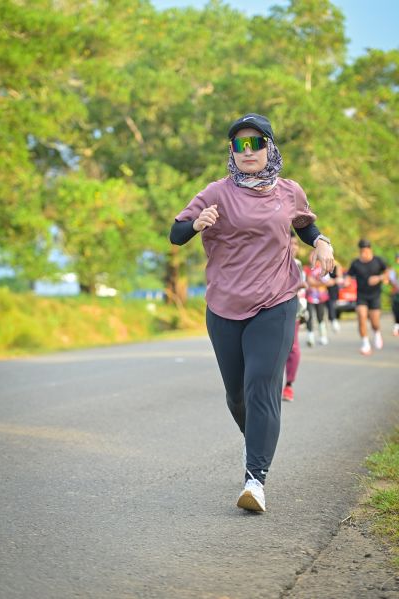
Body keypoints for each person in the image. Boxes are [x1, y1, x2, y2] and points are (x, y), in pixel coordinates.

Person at [169, 113, 334, 512]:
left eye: (256, 143)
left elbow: (305, 225)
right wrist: (197, 224)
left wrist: (322, 243)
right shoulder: (216, 192)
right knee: (237, 394)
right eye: (240, 144)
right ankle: (258, 438)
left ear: (269, 147)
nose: (248, 151)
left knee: (262, 384)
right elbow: (176, 234)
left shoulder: (289, 191)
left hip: (276, 300)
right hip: (224, 305)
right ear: (232, 150)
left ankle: (255, 480)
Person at [346, 239, 387, 355]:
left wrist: (379, 278)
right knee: (361, 317)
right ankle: (365, 343)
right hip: (361, 295)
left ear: (370, 250)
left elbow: (387, 273)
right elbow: (349, 276)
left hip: (375, 295)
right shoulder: (356, 263)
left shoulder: (378, 261)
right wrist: (346, 281)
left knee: (375, 322)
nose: (364, 254)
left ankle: (377, 333)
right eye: (362, 252)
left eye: (366, 251)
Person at [282, 231, 307, 402]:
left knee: (292, 347)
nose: (294, 247)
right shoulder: (272, 262)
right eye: (290, 243)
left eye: (296, 244)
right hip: (270, 311)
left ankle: (289, 385)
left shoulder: (298, 264)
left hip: (294, 311)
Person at [303, 253, 330, 346]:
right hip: (309, 297)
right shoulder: (307, 269)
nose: (311, 258)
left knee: (320, 316)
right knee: (309, 316)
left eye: (313, 257)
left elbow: (327, 281)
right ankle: (310, 337)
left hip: (320, 297)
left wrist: (315, 283)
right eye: (310, 257)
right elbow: (309, 281)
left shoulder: (323, 268)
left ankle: (323, 336)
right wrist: (319, 283)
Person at [326, 263, 344, 333]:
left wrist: (333, 281)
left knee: (331, 305)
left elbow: (340, 279)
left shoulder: (336, 266)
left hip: (332, 290)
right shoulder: (320, 267)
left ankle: (334, 321)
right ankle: (332, 320)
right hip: (322, 290)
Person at [388, 252, 399, 336]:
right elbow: (391, 281)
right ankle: (396, 327)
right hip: (396, 293)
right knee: (396, 311)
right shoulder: (393, 269)